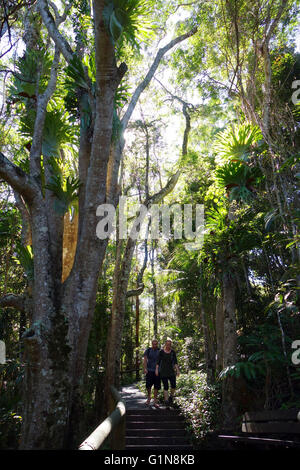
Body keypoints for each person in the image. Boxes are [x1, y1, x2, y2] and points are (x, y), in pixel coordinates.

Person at [155, 338, 180, 408]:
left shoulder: (172, 352)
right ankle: (166, 401)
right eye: (167, 344)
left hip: (171, 371)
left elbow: (175, 362)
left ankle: (171, 397)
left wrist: (177, 370)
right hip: (163, 372)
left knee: (173, 385)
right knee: (166, 386)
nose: (168, 346)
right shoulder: (161, 352)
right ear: (165, 344)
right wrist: (156, 370)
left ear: (171, 345)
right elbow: (158, 361)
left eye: (169, 344)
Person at [143, 339, 161, 408]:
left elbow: (161, 361)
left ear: (157, 344)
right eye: (153, 344)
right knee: (148, 385)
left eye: (156, 344)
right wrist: (145, 368)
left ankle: (155, 401)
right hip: (149, 370)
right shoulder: (148, 350)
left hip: (157, 371)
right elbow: (145, 360)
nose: (155, 345)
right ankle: (149, 397)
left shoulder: (159, 351)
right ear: (151, 344)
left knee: (156, 386)